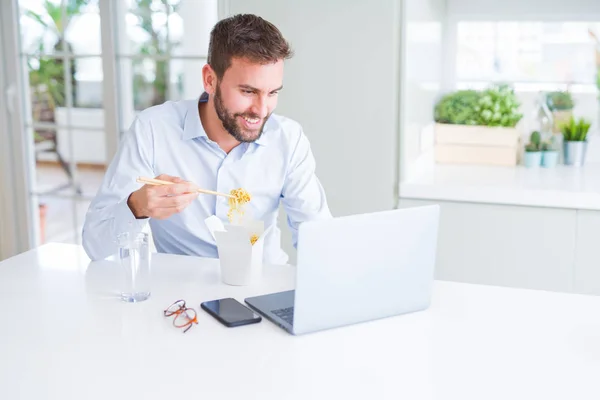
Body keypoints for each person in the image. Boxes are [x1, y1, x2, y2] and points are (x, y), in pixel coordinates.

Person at [82, 14, 332, 264]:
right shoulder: (153, 130)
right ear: (210, 80)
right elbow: (95, 245)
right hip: (181, 296)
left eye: (272, 93)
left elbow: (318, 236)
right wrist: (136, 207)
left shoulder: (288, 138)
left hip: (262, 288)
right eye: (248, 91)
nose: (261, 109)